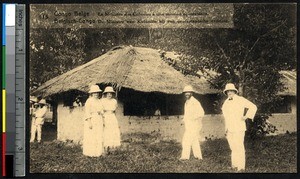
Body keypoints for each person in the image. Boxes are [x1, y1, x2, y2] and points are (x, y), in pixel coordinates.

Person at [221, 83, 257, 171]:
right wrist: (226, 128)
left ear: (234, 91)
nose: (229, 92)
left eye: (231, 91)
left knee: (239, 146)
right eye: (228, 91)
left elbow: (253, 107)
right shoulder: (226, 102)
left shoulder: (240, 100)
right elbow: (226, 117)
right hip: (229, 128)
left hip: (238, 127)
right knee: (233, 146)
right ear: (226, 92)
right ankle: (235, 165)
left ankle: (241, 167)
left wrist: (246, 116)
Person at [180, 85, 205, 160]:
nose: (187, 94)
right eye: (185, 92)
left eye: (188, 92)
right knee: (194, 140)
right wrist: (184, 119)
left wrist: (193, 119)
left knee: (186, 140)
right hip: (188, 124)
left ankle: (185, 157)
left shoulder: (195, 102)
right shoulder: (187, 102)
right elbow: (186, 114)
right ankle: (198, 156)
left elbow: (201, 113)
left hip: (194, 124)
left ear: (191, 93)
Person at [83, 85, 104, 157]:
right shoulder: (89, 101)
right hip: (92, 119)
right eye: (94, 93)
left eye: (97, 93)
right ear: (91, 93)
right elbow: (87, 112)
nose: (96, 94)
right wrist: (89, 122)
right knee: (91, 135)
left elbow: (102, 110)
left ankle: (98, 153)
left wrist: (101, 112)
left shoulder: (99, 101)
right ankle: (90, 153)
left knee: (98, 135)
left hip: (99, 119)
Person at [102, 86, 121, 153]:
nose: (109, 95)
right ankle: (106, 148)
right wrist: (103, 120)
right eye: (108, 93)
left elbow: (115, 111)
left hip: (112, 117)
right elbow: (102, 111)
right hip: (106, 116)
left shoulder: (114, 101)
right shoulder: (103, 101)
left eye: (111, 93)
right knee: (106, 132)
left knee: (113, 131)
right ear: (105, 94)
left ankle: (112, 148)